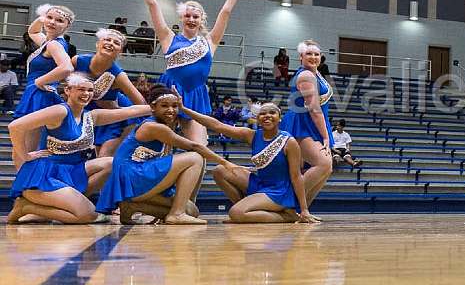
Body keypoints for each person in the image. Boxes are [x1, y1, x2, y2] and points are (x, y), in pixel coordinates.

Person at [110, 0, 259, 146]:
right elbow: (153, 4)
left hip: (196, 92)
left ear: (201, 20)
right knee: (158, 144)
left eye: (195, 16)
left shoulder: (210, 41)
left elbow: (225, 12)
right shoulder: (168, 37)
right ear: (181, 18)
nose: (191, 19)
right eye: (187, 16)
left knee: (198, 146)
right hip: (170, 88)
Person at [8, 73, 151, 224]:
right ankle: (26, 207)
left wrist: (161, 106)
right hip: (44, 178)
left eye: (90, 90)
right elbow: (15, 126)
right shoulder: (60, 111)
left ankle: (66, 204)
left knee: (112, 163)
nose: (86, 94)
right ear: (68, 91)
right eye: (81, 89)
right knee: (89, 215)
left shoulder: (91, 116)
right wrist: (25, 156)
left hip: (69, 173)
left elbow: (129, 111)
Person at [96, 84, 246, 225]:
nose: (171, 110)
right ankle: (176, 213)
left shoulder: (160, 126)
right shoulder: (153, 127)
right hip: (131, 176)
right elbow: (194, 145)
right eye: (165, 106)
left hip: (135, 177)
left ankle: (132, 207)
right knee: (195, 157)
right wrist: (226, 163)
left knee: (192, 210)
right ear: (153, 107)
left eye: (175, 106)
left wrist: (183, 108)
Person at [179, 102, 320, 223]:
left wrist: (304, 209)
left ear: (279, 118)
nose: (267, 116)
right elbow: (217, 126)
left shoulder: (289, 142)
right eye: (263, 113)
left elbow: (296, 176)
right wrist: (184, 109)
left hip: (278, 191)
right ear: (257, 119)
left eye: (272, 113)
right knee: (219, 170)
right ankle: (244, 210)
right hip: (260, 184)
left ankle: (286, 216)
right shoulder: (251, 135)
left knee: (236, 213)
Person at [12, 4, 75, 168]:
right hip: (36, 94)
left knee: (27, 148)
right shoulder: (47, 41)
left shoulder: (55, 44)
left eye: (59, 20)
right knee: (21, 149)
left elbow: (67, 67)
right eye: (50, 18)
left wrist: (40, 81)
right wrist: (43, 18)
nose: (53, 22)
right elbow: (32, 31)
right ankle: (23, 187)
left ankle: (24, 188)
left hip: (40, 96)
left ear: (67, 26)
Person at [72, 28, 148, 157]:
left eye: (116, 43)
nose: (111, 43)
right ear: (97, 44)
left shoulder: (119, 76)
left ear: (121, 52)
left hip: (113, 117)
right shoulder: (77, 61)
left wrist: (118, 109)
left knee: (104, 157)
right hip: (86, 113)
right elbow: (63, 83)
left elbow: (141, 103)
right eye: (107, 39)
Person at [280, 40, 334, 201]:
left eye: (316, 54)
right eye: (309, 54)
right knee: (323, 163)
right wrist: (325, 136)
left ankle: (302, 209)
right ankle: (286, 202)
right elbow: (314, 109)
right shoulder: (305, 75)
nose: (313, 57)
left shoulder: (316, 73)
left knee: (327, 168)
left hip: (313, 123)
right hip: (302, 124)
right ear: (301, 57)